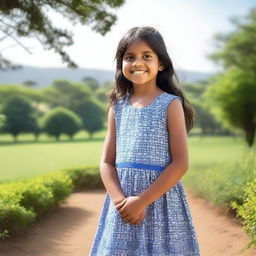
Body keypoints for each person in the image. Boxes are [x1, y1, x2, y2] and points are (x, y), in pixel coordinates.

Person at [89, 26, 201, 255]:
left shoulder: (171, 104)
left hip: (160, 202)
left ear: (161, 63)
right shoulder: (117, 106)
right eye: (129, 57)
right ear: (121, 64)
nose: (137, 62)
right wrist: (122, 202)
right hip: (122, 207)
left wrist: (141, 201)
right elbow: (107, 162)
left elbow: (180, 163)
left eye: (146, 56)